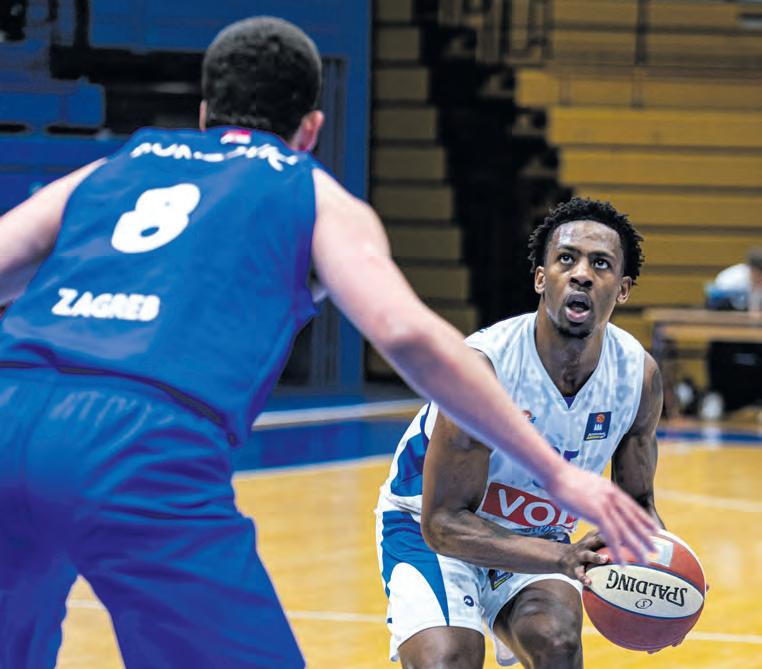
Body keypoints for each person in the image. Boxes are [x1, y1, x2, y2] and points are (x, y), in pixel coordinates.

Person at [0, 17, 655, 669]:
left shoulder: (113, 168)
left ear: (204, 113)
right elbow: (404, 332)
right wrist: (558, 472)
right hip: (140, 443)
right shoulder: (310, 191)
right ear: (310, 129)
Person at [376, 198, 667, 669]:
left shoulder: (638, 377)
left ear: (623, 288)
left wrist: (662, 583)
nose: (581, 274)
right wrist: (558, 558)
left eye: (601, 264)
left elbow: (638, 504)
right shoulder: (482, 369)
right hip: (428, 529)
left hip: (540, 534)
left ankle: (511, 609)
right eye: (566, 259)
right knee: (449, 661)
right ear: (541, 278)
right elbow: (443, 523)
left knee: (557, 644)